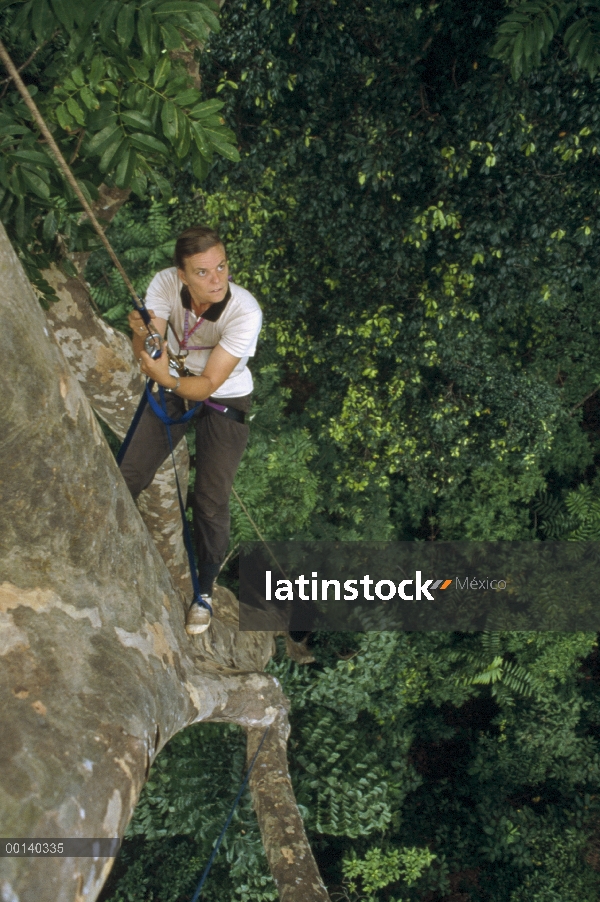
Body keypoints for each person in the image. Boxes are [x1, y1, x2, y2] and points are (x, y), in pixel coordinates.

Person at [120, 226, 262, 635]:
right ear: (181, 274)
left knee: (210, 501)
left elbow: (207, 385)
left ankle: (205, 589)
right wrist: (141, 334)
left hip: (224, 399)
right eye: (203, 272)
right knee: (128, 472)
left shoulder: (244, 311)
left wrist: (162, 374)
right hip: (173, 379)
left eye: (221, 267)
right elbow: (152, 343)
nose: (217, 279)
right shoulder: (165, 283)